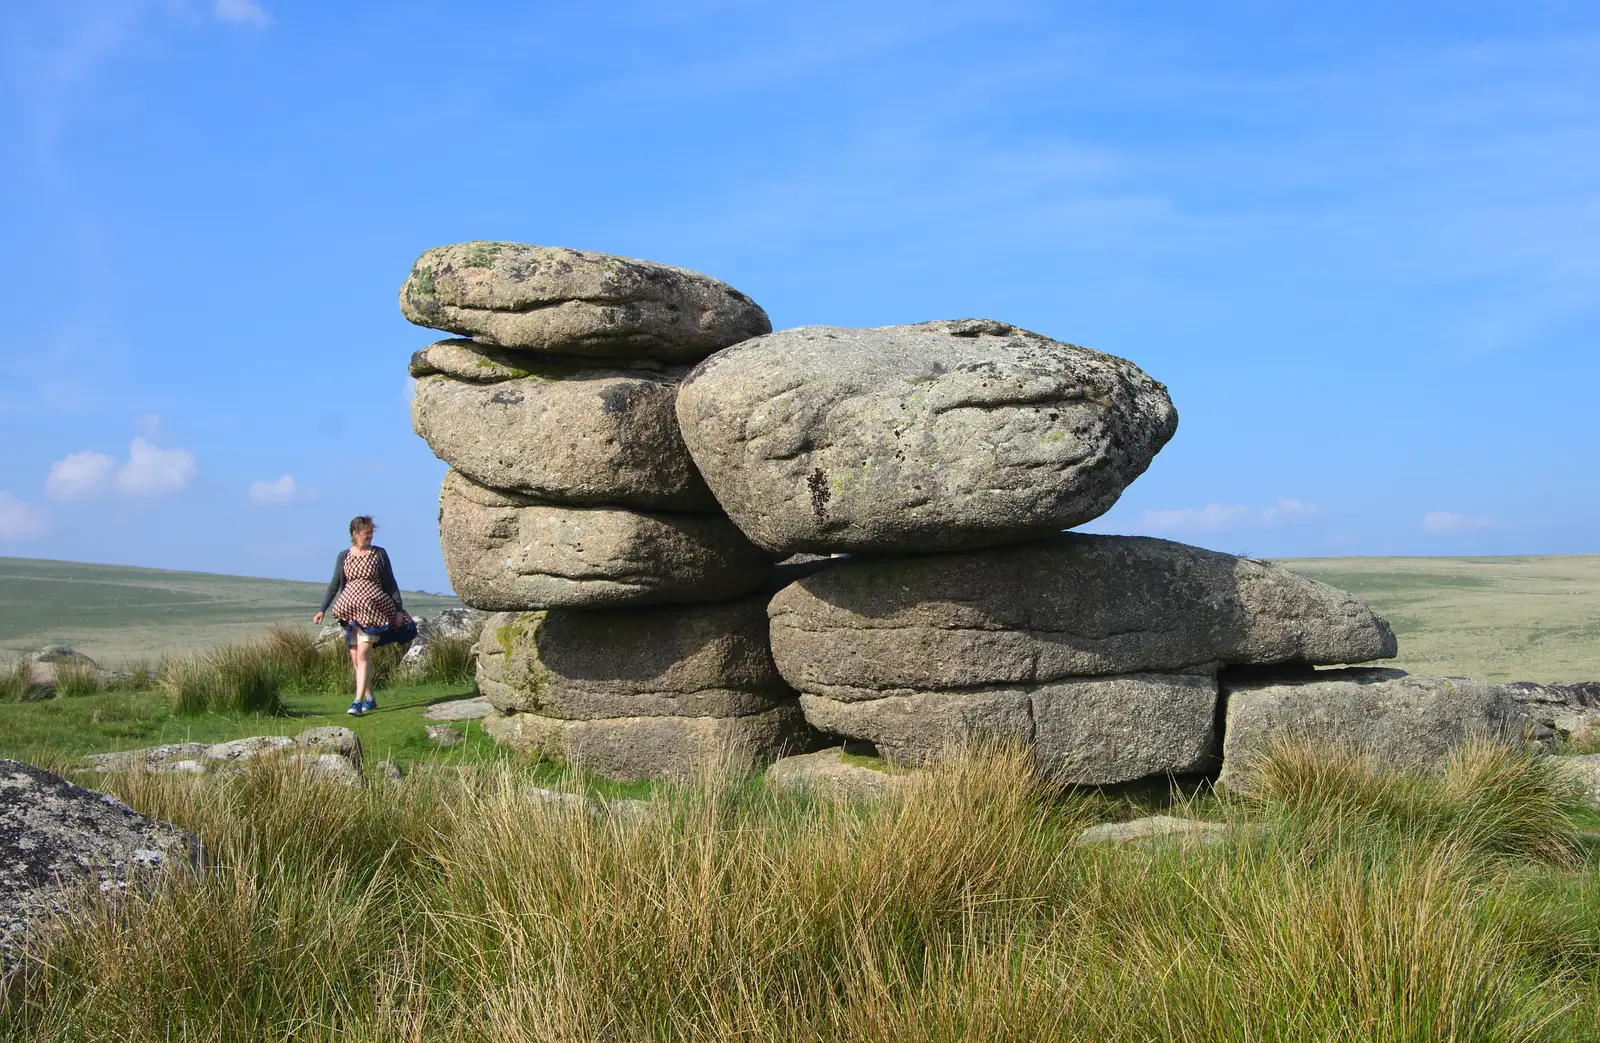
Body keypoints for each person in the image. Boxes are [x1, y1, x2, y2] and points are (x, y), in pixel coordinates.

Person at [312, 515, 414, 716]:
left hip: (373, 611)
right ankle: (370, 698)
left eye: (371, 533)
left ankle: (357, 703)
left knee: (363, 654)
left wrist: (399, 609)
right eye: (366, 533)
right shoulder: (343, 556)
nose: (370, 536)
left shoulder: (379, 554)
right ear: (355, 534)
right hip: (350, 613)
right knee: (354, 657)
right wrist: (322, 609)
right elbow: (335, 584)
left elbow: (390, 583)